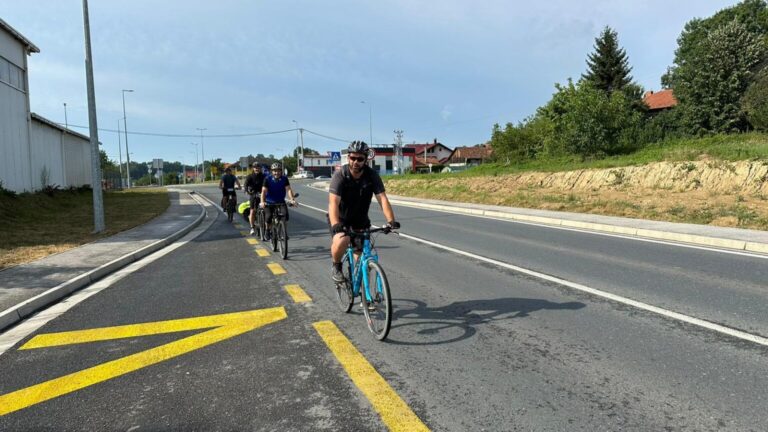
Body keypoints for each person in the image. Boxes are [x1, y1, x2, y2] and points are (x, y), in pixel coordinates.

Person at [328, 141, 400, 282]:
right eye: (353, 158)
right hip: (340, 220)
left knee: (363, 260)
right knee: (343, 240)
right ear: (348, 158)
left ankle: (363, 294)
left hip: (361, 221)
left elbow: (382, 199)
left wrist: (391, 221)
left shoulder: (371, 175)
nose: (356, 162)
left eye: (360, 159)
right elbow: (333, 203)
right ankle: (336, 266)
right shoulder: (340, 175)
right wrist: (335, 223)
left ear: (365, 159)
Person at [259, 162, 297, 238]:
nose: (276, 173)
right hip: (269, 202)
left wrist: (292, 199)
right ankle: (267, 230)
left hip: (280, 201)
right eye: (274, 171)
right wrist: (262, 202)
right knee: (269, 216)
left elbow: (288, 190)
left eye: (278, 171)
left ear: (281, 171)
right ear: (272, 171)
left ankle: (284, 232)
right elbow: (263, 191)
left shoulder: (284, 179)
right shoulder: (267, 179)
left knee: (285, 216)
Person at [244, 162, 265, 235]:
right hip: (253, 194)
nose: (257, 168)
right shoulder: (250, 176)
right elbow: (246, 184)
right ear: (253, 168)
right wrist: (246, 191)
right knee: (252, 211)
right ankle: (252, 227)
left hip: (263, 194)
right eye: (255, 167)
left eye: (258, 167)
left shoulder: (264, 176)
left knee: (268, 209)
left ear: (260, 168)